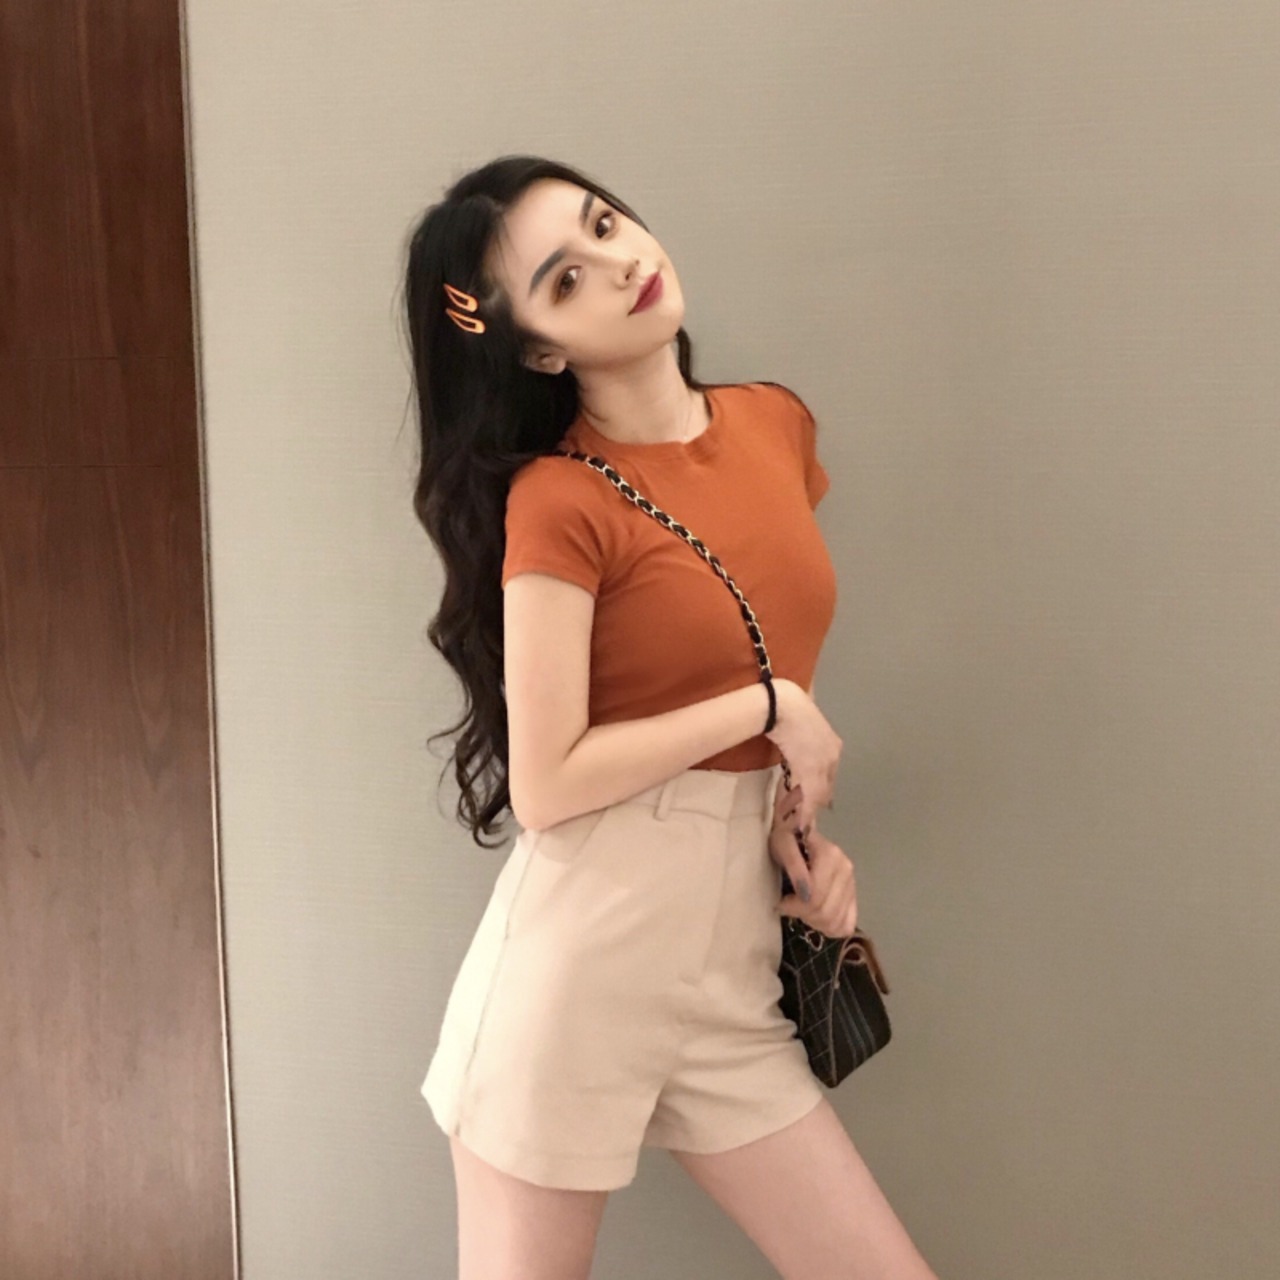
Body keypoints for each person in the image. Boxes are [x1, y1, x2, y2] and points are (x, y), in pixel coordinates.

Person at [401, 156, 938, 1280]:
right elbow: (548, 782)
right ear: (539, 350)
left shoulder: (774, 425)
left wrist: (798, 834)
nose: (617, 263)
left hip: (733, 960)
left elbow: (747, 644)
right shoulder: (561, 499)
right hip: (578, 979)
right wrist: (768, 706)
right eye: (563, 279)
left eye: (604, 225)